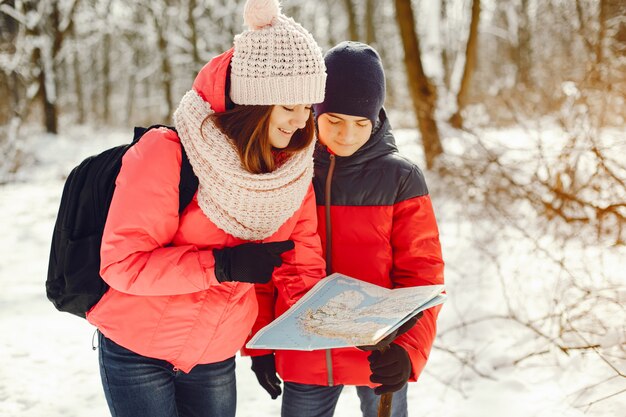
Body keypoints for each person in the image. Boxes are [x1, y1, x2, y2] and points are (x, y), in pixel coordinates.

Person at [86, 1, 328, 416]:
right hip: (136, 351)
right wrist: (220, 266)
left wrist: (339, 326)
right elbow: (122, 265)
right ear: (253, 103)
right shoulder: (168, 155)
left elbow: (301, 270)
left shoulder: (291, 174)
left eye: (308, 107)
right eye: (289, 106)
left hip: (216, 355)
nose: (300, 121)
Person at [247, 41, 445, 417]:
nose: (347, 134)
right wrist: (260, 344)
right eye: (333, 120)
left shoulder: (400, 177)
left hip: (381, 354)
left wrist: (409, 351)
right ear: (314, 113)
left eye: (360, 123)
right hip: (304, 351)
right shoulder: (288, 172)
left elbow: (423, 275)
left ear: (376, 119)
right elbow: (265, 266)